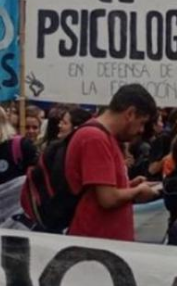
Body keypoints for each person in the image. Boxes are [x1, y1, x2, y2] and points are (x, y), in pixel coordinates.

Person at [65, 84, 160, 241]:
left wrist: (130, 185)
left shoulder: (105, 137)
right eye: (142, 122)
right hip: (96, 243)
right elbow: (108, 199)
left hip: (104, 243)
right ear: (130, 113)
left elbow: (100, 190)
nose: (142, 130)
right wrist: (137, 192)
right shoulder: (94, 138)